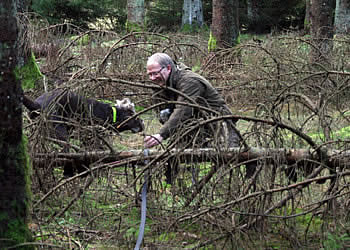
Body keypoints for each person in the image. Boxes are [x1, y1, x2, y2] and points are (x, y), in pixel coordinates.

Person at [144, 52, 255, 181]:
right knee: (174, 152)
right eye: (150, 74)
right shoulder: (162, 84)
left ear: (168, 68)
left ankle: (251, 162)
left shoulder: (189, 80)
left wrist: (161, 135)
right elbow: (163, 112)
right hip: (193, 122)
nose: (152, 78)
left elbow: (183, 110)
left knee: (231, 153)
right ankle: (172, 181)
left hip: (217, 119)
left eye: (155, 73)